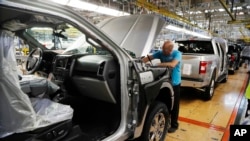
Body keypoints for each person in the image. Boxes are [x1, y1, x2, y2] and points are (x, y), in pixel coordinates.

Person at [142, 40, 182, 133]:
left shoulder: (177, 54)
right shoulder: (161, 52)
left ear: (170, 50)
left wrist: (158, 64)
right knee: (166, 103)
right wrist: (139, 62)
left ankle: (174, 125)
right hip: (165, 81)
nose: (162, 50)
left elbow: (172, 64)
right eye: (162, 48)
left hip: (175, 82)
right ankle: (166, 120)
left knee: (175, 105)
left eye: (164, 49)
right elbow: (148, 58)